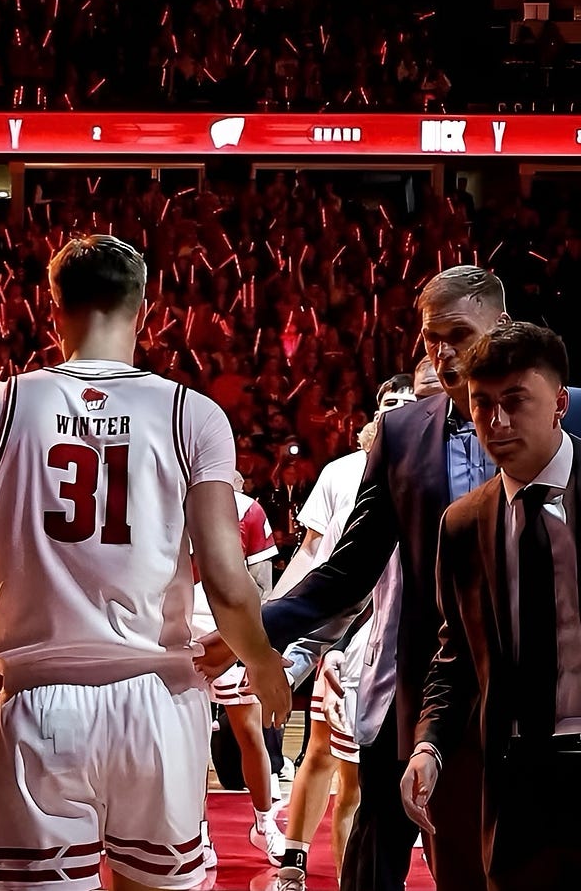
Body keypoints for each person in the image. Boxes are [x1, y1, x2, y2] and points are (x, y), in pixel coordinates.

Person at [0, 235, 291, 891]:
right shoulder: (192, 413)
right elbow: (229, 584)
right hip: (158, 700)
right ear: (144, 308)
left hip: (37, 700)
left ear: (51, 305)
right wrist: (264, 663)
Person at [201, 265, 581, 891]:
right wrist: (253, 631)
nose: (443, 352)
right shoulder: (402, 435)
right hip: (435, 691)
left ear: (501, 328)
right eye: (431, 337)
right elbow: (347, 569)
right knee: (402, 862)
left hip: (548, 708)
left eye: (459, 334)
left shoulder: (568, 414)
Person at [402, 322, 581, 890]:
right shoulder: (462, 522)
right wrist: (429, 743)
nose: (496, 422)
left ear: (557, 404)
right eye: (482, 405)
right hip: (514, 776)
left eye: (514, 402)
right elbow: (456, 653)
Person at [270, 374, 418, 891]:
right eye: (389, 403)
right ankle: (295, 853)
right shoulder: (342, 473)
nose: (397, 410)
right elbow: (317, 558)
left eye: (409, 402)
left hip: (398, 637)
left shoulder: (433, 462)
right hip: (349, 636)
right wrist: (279, 626)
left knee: (362, 776)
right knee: (326, 753)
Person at [191, 474, 280, 867]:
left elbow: (263, 585)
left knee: (249, 733)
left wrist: (243, 639)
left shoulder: (248, 510)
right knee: (188, 745)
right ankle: (197, 832)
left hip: (229, 636)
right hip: (175, 636)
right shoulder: (167, 499)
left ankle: (264, 825)